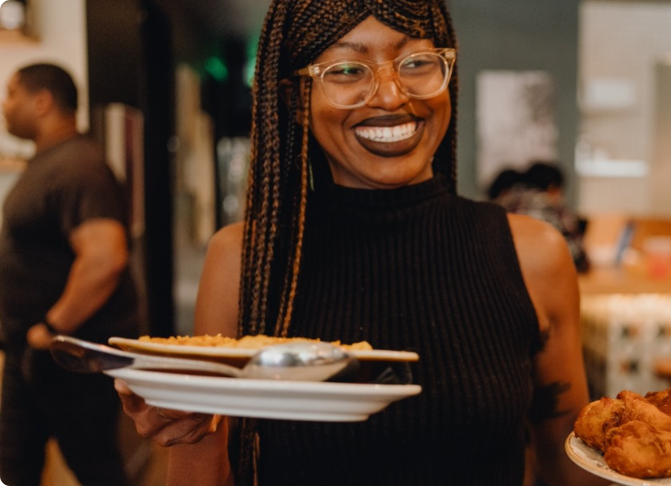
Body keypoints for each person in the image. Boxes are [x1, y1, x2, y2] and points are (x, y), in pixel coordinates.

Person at [115, 2, 605, 485]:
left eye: (415, 62)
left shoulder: (533, 255)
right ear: (294, 97)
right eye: (348, 69)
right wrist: (189, 428)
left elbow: (571, 468)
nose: (391, 95)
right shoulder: (245, 260)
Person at [0, 63, 139, 486]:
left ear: (41, 102)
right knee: (14, 460)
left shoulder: (78, 166)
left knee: (94, 466)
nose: (4, 106)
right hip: (35, 349)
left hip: (64, 351)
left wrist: (50, 329)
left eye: (11, 93)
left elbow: (105, 259)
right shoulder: (52, 161)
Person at [495, 162, 590, 273]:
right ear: (552, 188)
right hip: (541, 278)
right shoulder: (551, 209)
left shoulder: (501, 204)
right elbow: (576, 257)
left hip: (500, 277)